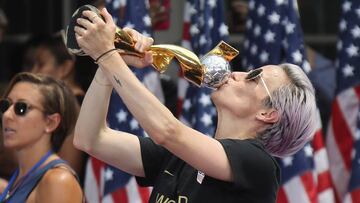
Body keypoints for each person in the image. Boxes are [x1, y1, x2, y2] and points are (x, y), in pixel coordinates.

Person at [73, 8, 318, 202]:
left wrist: (107, 55)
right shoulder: (180, 155)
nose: (238, 73)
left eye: (254, 77)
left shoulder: (259, 164)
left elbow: (168, 131)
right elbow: (89, 138)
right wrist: (109, 64)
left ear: (268, 114)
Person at [0, 72, 83, 202]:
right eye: (5, 105)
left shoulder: (58, 181)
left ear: (51, 122)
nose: (7, 115)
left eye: (21, 108)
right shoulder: (20, 176)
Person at [27, 33, 87, 183]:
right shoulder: (61, 104)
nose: (33, 72)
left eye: (40, 64)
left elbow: (69, 168)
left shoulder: (74, 106)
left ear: (65, 68)